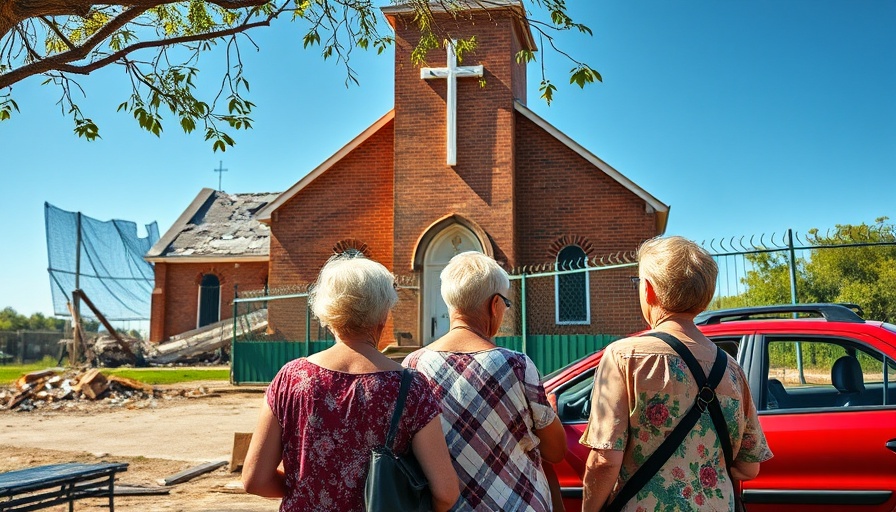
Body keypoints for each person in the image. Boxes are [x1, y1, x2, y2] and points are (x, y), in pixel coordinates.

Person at [241, 254, 460, 512]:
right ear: (383, 315)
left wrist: (303, 491)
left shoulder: (291, 378)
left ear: (327, 313)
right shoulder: (410, 388)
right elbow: (446, 493)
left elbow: (254, 480)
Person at [580, 236, 773, 511]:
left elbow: (604, 461)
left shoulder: (625, 356)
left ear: (648, 290)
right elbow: (749, 467)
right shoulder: (732, 369)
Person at [403, 251, 567, 512]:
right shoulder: (517, 365)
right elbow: (556, 451)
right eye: (505, 304)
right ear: (494, 305)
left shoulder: (412, 366)